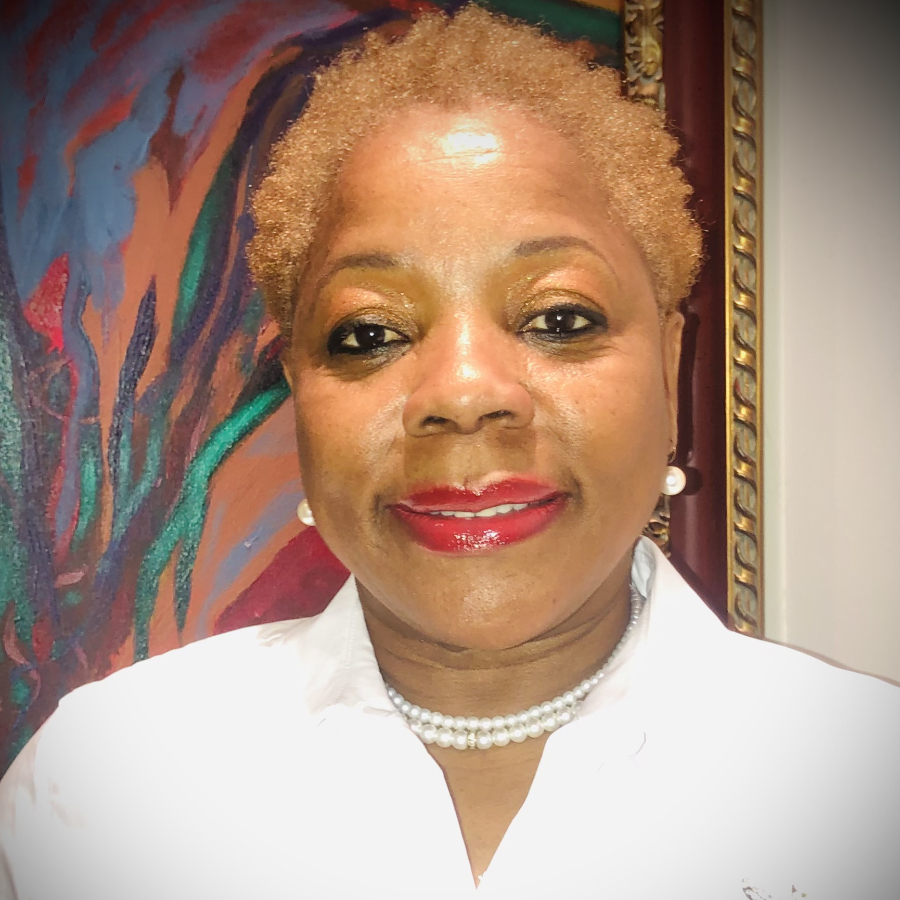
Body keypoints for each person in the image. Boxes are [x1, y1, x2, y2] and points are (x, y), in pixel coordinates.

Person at [1, 6, 898, 899]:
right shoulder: (101, 792)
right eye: (370, 334)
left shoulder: (866, 792)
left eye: (559, 319)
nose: (464, 393)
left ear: (669, 366)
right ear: (299, 391)